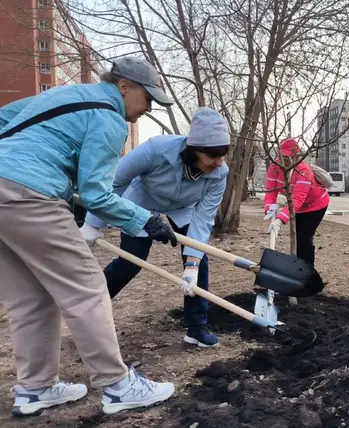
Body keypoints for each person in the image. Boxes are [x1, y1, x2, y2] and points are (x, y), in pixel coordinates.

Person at [0, 56, 178, 416]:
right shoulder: (109, 117)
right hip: (28, 194)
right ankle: (117, 385)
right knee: (87, 287)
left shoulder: (62, 95)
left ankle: (36, 389)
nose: (148, 108)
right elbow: (97, 194)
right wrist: (146, 220)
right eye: (148, 98)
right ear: (124, 86)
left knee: (30, 298)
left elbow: (6, 119)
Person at [80, 107, 230, 348]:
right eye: (214, 156)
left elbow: (203, 218)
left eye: (223, 155)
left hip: (184, 208)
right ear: (195, 149)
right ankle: (87, 315)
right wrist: (93, 222)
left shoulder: (219, 173)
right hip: (143, 202)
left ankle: (196, 328)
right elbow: (116, 181)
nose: (219, 162)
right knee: (130, 262)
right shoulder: (156, 149)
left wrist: (190, 266)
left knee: (198, 262)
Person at [264, 138, 330, 266]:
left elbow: (297, 199)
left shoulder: (304, 171)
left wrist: (280, 219)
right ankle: (296, 268)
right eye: (281, 156)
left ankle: (307, 272)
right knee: (295, 237)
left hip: (316, 205)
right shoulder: (274, 168)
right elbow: (271, 192)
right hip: (297, 207)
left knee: (304, 238)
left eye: (287, 157)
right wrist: (269, 209)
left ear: (295, 156)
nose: (284, 160)